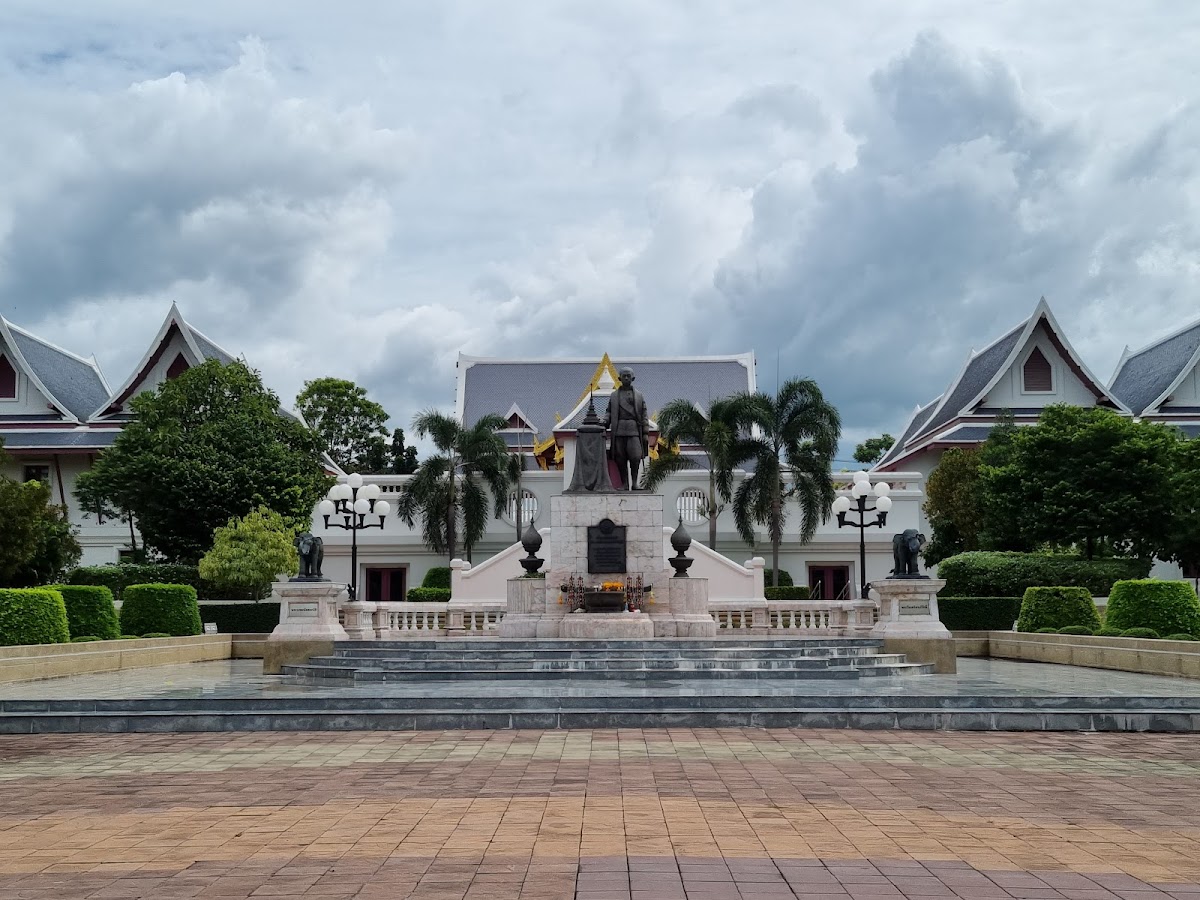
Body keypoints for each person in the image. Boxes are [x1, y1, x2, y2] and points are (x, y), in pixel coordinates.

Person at [604, 367, 649, 490]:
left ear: (633, 378)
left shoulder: (639, 396)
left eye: (629, 376)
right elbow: (609, 412)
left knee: (635, 456)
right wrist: (605, 422)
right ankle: (624, 483)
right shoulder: (614, 396)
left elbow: (644, 414)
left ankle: (634, 483)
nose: (626, 378)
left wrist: (645, 432)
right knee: (620, 458)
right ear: (619, 378)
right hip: (619, 429)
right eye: (624, 376)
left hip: (634, 429)